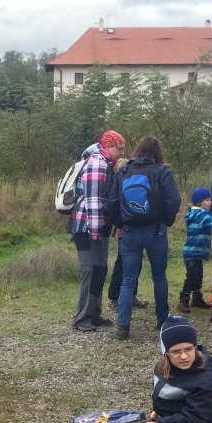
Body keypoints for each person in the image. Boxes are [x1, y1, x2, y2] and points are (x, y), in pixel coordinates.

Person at [108, 136, 182, 340]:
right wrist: (165, 221)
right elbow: (174, 200)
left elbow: (112, 202)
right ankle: (162, 320)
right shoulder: (162, 171)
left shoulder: (124, 170)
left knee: (128, 279)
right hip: (155, 230)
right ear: (158, 152)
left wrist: (121, 223)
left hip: (130, 231)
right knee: (159, 276)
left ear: (137, 150)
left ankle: (123, 326)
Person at [68, 130, 126, 332]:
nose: (121, 152)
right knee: (89, 272)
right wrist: (96, 233)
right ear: (108, 146)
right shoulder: (97, 164)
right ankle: (81, 318)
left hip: (98, 227)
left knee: (100, 270)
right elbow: (93, 201)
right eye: (119, 148)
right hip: (86, 228)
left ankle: (94, 314)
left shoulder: (104, 163)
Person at [178, 187, 212, 313]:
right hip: (192, 252)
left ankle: (197, 299)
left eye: (210, 200)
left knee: (198, 276)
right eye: (207, 200)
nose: (210, 202)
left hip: (197, 253)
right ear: (199, 202)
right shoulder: (198, 214)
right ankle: (183, 300)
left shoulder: (201, 214)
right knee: (191, 277)